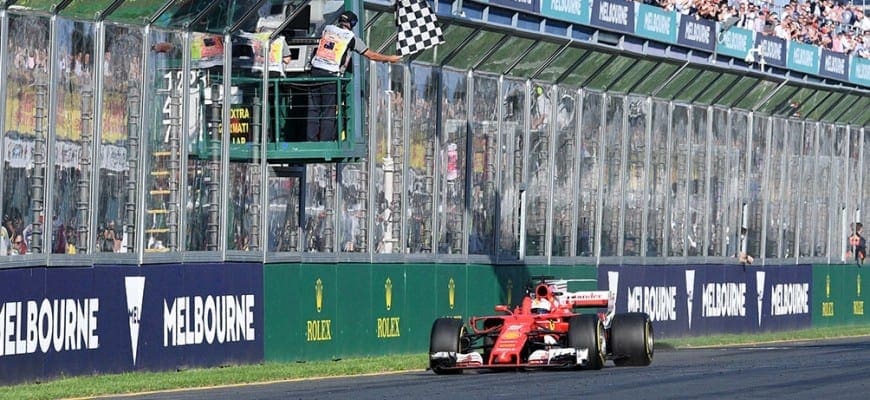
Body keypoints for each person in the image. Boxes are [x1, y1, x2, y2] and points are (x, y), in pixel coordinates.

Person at [307, 10, 401, 141]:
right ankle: (325, 141)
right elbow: (370, 55)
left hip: (315, 71)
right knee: (328, 111)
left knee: (313, 109)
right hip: (330, 75)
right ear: (352, 24)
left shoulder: (327, 29)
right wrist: (390, 58)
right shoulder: (350, 37)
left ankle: (310, 140)